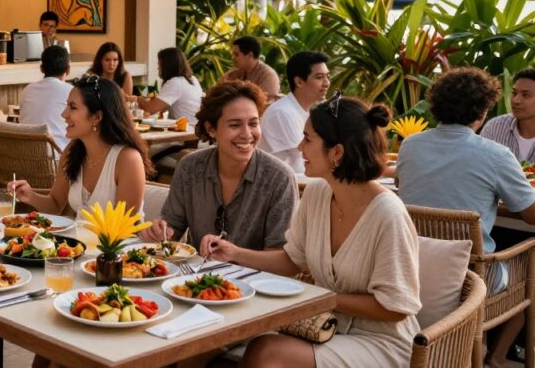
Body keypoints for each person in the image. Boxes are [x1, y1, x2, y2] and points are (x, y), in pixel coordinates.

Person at [204, 94, 421, 367]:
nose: (298, 147)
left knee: (266, 352)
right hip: (325, 327)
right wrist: (234, 253)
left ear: (337, 152)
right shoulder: (318, 193)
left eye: (307, 139)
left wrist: (319, 299)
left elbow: (395, 308)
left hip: (380, 342)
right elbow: (292, 260)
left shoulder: (387, 214)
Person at [398, 68, 535, 368]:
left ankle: (485, 352)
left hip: (408, 265)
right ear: (483, 110)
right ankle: (494, 356)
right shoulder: (496, 155)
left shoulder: (410, 145)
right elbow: (530, 215)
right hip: (469, 275)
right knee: (527, 267)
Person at [141, 81, 297, 251]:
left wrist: (234, 254)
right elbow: (173, 228)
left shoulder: (279, 178)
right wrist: (160, 233)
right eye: (235, 125)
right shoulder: (190, 167)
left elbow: (282, 260)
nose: (247, 134)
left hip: (255, 278)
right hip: (195, 276)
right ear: (211, 129)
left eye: (253, 123)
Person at [8, 74, 152, 218]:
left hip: (118, 240)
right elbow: (56, 205)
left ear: (97, 117)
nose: (64, 114)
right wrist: (31, 196)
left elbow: (125, 225)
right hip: (80, 239)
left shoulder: (127, 159)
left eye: (73, 107)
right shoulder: (73, 151)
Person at [258, 50, 330, 174]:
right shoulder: (283, 113)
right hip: (279, 185)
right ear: (299, 82)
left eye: (327, 76)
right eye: (319, 77)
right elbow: (300, 162)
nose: (327, 83)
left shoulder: (308, 111)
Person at [20, 45, 73, 151]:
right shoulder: (72, 92)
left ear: (41, 68)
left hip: (25, 157)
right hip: (58, 159)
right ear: (68, 70)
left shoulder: (27, 90)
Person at [135, 47, 203, 125]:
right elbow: (161, 108)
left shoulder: (175, 82)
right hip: (194, 128)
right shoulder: (192, 79)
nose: (158, 68)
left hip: (187, 130)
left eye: (159, 64)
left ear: (167, 65)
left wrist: (135, 98)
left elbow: (151, 108)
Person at [481, 67, 535, 163]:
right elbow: (480, 165)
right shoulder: (494, 128)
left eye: (526, 95)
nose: (516, 100)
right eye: (514, 93)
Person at [221, 36, 281, 103]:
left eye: (236, 54)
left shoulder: (268, 75)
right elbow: (216, 92)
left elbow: (264, 105)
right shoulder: (234, 73)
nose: (232, 58)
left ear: (249, 55)